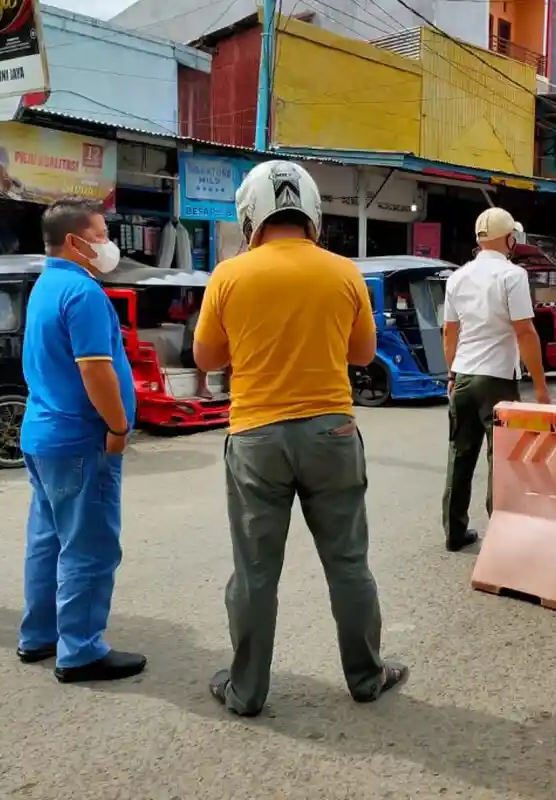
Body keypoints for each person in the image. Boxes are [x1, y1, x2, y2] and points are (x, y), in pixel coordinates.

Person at [194, 160, 406, 717]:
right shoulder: (344, 272)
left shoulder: (229, 274)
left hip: (256, 435)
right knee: (348, 562)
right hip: (331, 430)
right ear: (311, 210)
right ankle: (366, 677)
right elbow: (362, 355)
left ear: (250, 214)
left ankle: (245, 692)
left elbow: (207, 357)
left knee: (255, 571)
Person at [17, 198, 145, 683]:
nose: (107, 243)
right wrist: (117, 426)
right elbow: (95, 369)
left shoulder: (46, 285)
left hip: (44, 435)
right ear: (75, 240)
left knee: (48, 539)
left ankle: (40, 635)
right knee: (89, 547)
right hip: (79, 438)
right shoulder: (83, 292)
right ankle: (81, 650)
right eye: (101, 233)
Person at [441, 207, 549, 553]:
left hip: (464, 376)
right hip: (498, 379)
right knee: (501, 457)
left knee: (460, 453)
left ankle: (454, 531)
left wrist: (452, 373)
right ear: (510, 238)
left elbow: (449, 331)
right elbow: (525, 332)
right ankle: (501, 534)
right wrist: (542, 388)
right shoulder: (512, 275)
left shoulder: (457, 277)